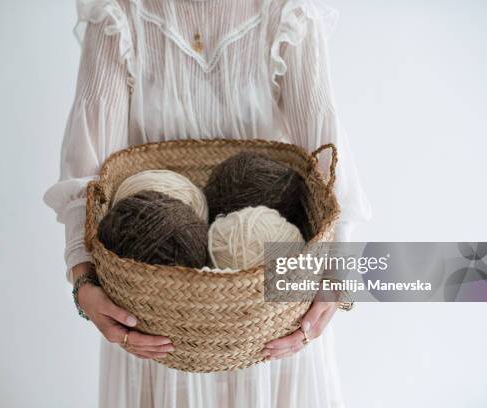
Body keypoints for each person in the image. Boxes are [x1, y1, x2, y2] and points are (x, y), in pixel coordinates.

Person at [44, 0, 371, 406]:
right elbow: (88, 172)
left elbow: (328, 157)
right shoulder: (119, 16)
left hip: (267, 309)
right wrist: (84, 281)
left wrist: (334, 277)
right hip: (159, 311)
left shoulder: (289, 14)